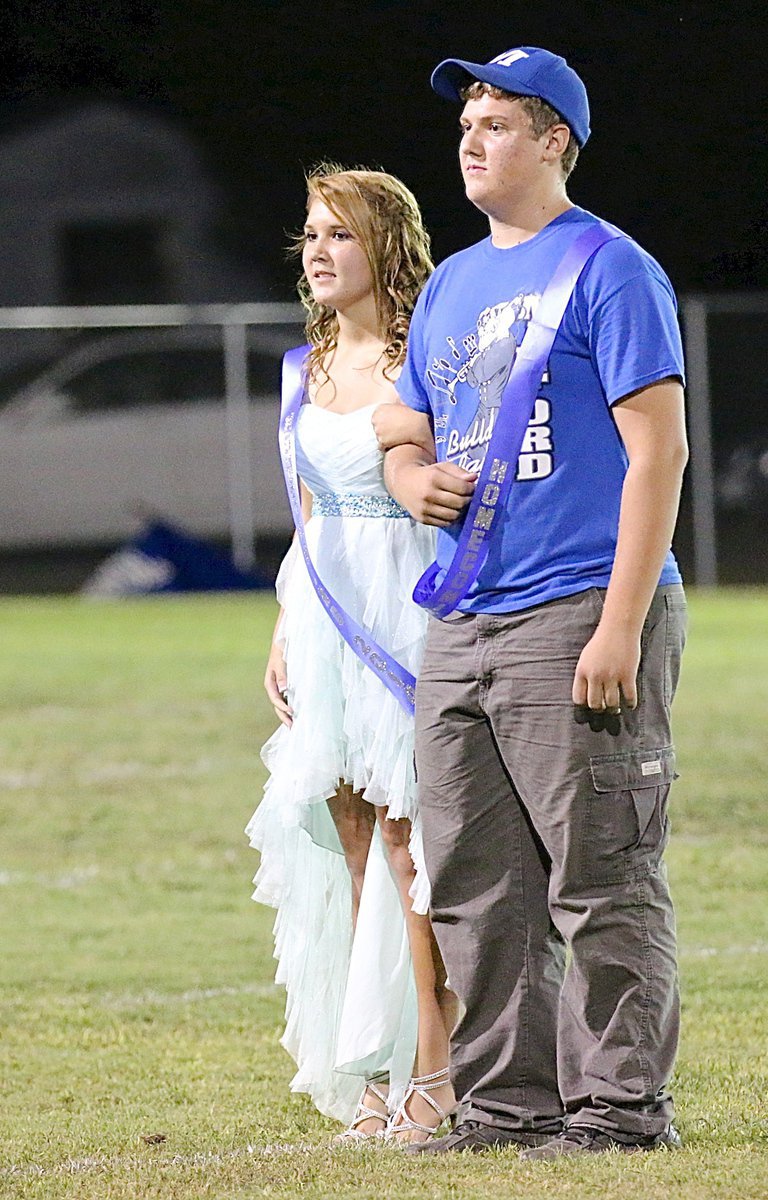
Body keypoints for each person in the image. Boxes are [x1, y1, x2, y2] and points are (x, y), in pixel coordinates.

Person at [377, 47, 689, 1158]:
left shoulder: (611, 266)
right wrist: (410, 480)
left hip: (576, 606)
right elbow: (405, 428)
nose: (472, 141)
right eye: (467, 123)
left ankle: (618, 1111)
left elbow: (659, 453)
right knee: (475, 880)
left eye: (498, 123)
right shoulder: (452, 283)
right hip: (464, 617)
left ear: (556, 139)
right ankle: (508, 1108)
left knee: (601, 875)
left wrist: (620, 622)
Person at [246, 165, 457, 1144]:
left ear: (385, 246)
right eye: (311, 233)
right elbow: (306, 514)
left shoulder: (429, 361)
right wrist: (284, 630)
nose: (318, 251)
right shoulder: (304, 367)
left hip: (405, 608)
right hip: (324, 616)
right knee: (355, 841)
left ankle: (438, 1070)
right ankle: (377, 1065)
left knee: (414, 844)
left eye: (339, 233)